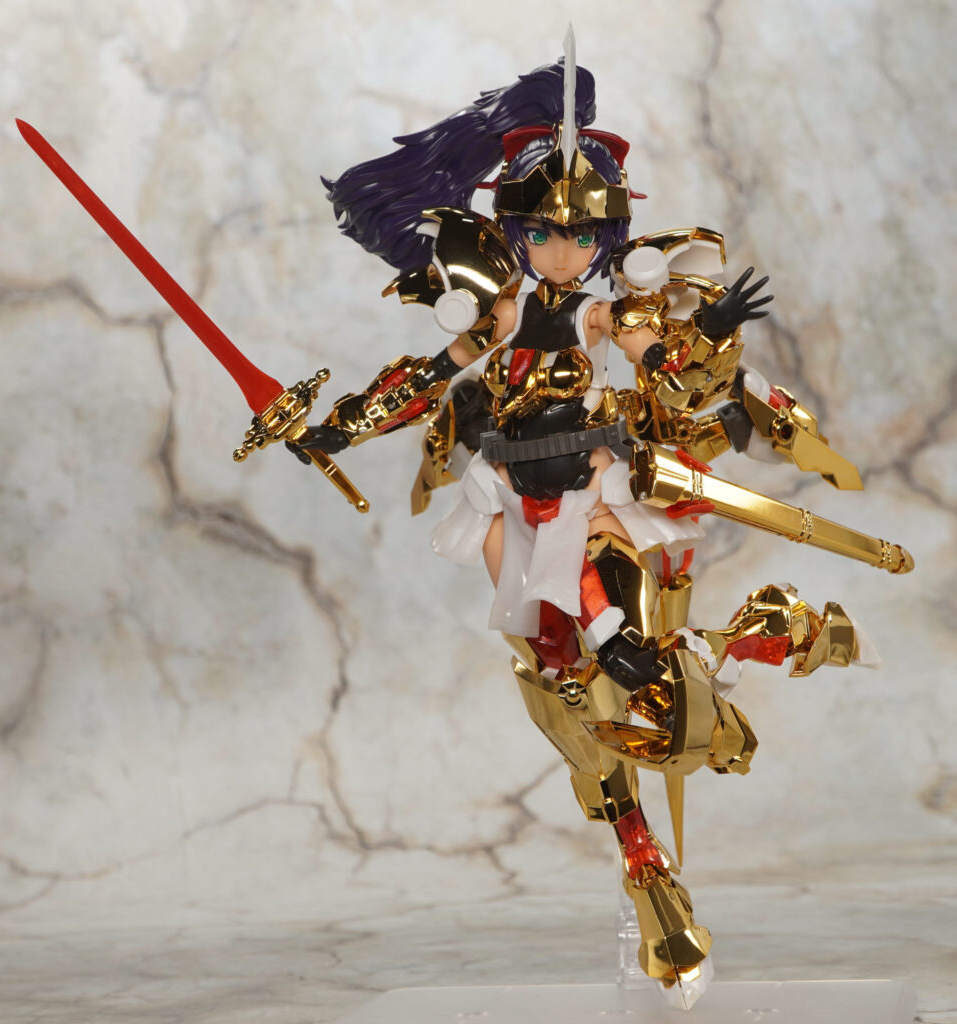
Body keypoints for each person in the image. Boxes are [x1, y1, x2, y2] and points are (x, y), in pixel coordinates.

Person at [288, 53, 884, 1009]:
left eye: (579, 234)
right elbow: (423, 380)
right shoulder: (496, 313)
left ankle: (769, 635)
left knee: (635, 660)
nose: (560, 251)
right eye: (540, 232)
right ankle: (648, 868)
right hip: (504, 505)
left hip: (593, 497)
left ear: (607, 234)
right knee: (566, 699)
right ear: (513, 230)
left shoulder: (608, 312)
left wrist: (708, 341)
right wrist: (338, 426)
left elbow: (671, 374)